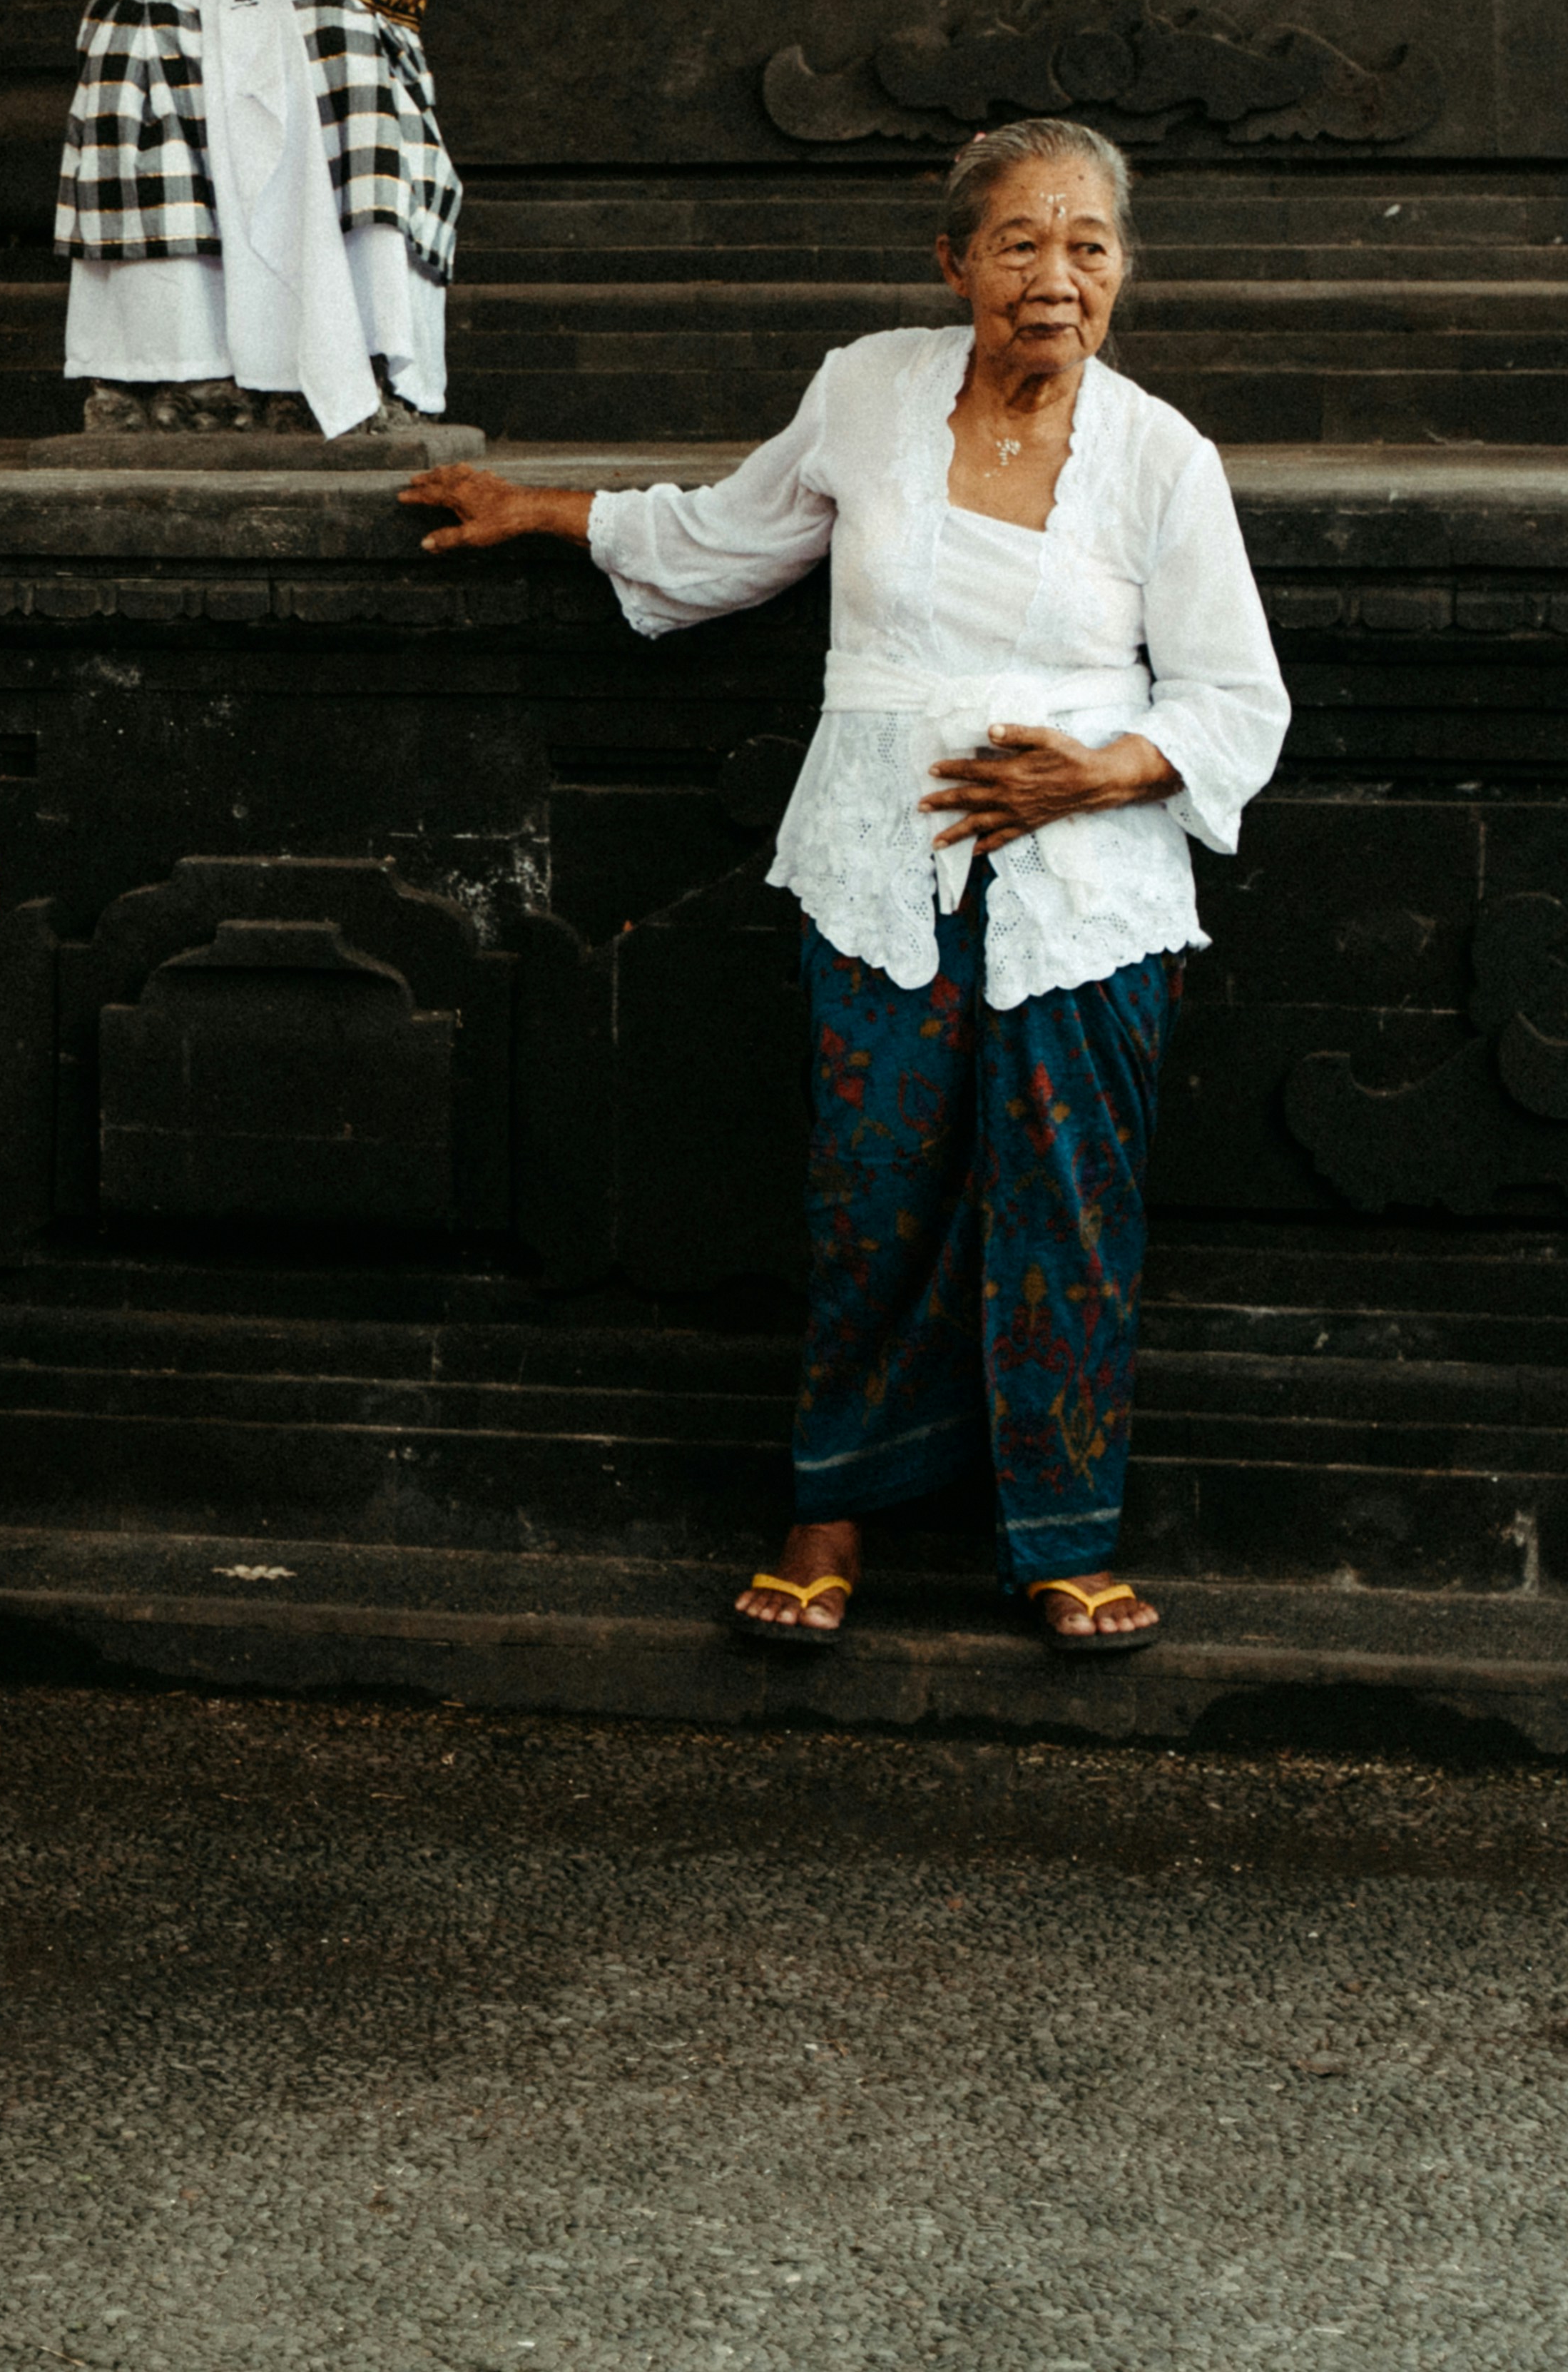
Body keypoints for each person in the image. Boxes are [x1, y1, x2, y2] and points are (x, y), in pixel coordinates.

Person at [399, 116, 1288, 1658]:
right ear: (954, 262)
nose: (1056, 277)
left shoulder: (1161, 455)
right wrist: (544, 510)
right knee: (868, 1186)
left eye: (1089, 245)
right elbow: (728, 535)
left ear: (1125, 270)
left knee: (1068, 1203)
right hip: (880, 864)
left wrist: (1098, 769)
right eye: (1020, 242)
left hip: (1085, 895)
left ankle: (1063, 1534)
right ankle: (828, 1511)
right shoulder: (868, 390)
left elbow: (1238, 700)